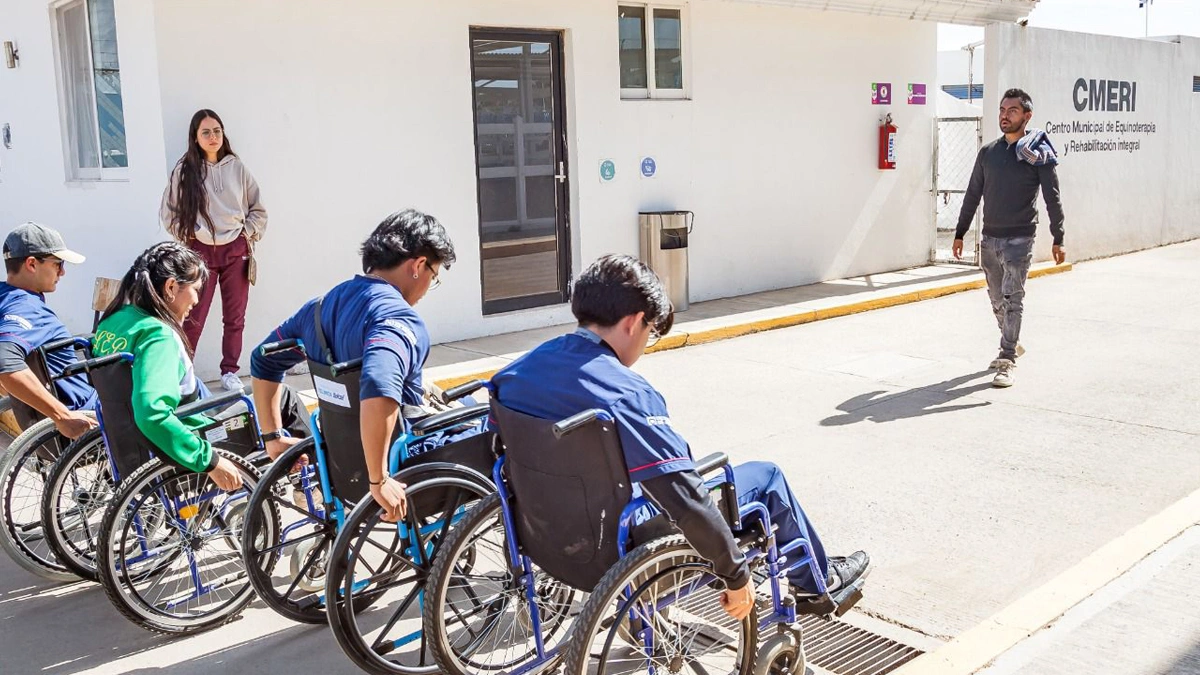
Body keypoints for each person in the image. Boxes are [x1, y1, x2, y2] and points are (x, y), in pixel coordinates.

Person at [490, 255, 870, 620]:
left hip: (543, 541)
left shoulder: (518, 372)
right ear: (635, 321)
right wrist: (735, 574)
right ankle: (818, 584)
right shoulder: (627, 394)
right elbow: (683, 496)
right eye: (651, 332)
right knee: (766, 477)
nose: (645, 343)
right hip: (618, 551)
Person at [251, 209, 477, 521]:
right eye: (433, 276)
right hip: (404, 465)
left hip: (342, 466)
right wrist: (380, 480)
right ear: (419, 265)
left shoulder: (318, 309)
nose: (428, 287)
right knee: (487, 423)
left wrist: (272, 436)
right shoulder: (397, 318)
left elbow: (263, 358)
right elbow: (379, 386)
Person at [93, 242, 307, 491]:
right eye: (195, 289)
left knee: (242, 395)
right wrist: (210, 460)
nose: (197, 299)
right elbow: (152, 413)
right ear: (171, 287)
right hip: (189, 446)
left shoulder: (113, 321)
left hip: (131, 451)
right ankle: (312, 486)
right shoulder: (158, 336)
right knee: (284, 396)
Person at [954, 87, 1066, 388]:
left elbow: (1051, 197)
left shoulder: (1038, 155)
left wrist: (1059, 236)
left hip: (1020, 239)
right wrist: (960, 232)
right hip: (989, 238)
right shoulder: (988, 153)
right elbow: (973, 194)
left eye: (1012, 111)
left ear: (1027, 116)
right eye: (1002, 110)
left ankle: (1006, 360)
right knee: (996, 299)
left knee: (1012, 298)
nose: (1004, 116)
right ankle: (1011, 340)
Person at [160, 109, 267, 392]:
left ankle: (230, 371)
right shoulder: (185, 170)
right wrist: (190, 236)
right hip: (199, 254)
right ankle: (184, 372)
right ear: (195, 137)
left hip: (236, 251)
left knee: (235, 316)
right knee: (192, 315)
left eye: (217, 130)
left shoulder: (237, 167)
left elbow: (258, 208)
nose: (213, 137)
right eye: (205, 132)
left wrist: (247, 235)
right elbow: (168, 213)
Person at [0, 222, 97, 439]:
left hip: (37, 422)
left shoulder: (4, 297)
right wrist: (62, 416)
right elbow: (5, 360)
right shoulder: (26, 308)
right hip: (85, 416)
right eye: (57, 264)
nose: (62, 272)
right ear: (32, 264)